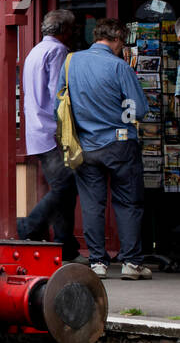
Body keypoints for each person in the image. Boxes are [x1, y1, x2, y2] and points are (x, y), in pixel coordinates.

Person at [65, 18, 151, 280]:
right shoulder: (119, 66)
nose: (121, 48)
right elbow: (139, 108)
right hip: (120, 143)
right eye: (121, 43)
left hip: (85, 145)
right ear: (115, 39)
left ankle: (98, 263)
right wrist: (120, 116)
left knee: (92, 204)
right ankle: (130, 263)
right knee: (128, 203)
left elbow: (59, 97)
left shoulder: (72, 62)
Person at [17, 9, 80, 261]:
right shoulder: (58, 52)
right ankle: (28, 226)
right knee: (65, 187)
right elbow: (59, 95)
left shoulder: (35, 51)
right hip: (51, 130)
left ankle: (66, 246)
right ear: (65, 30)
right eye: (73, 30)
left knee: (63, 188)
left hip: (36, 128)